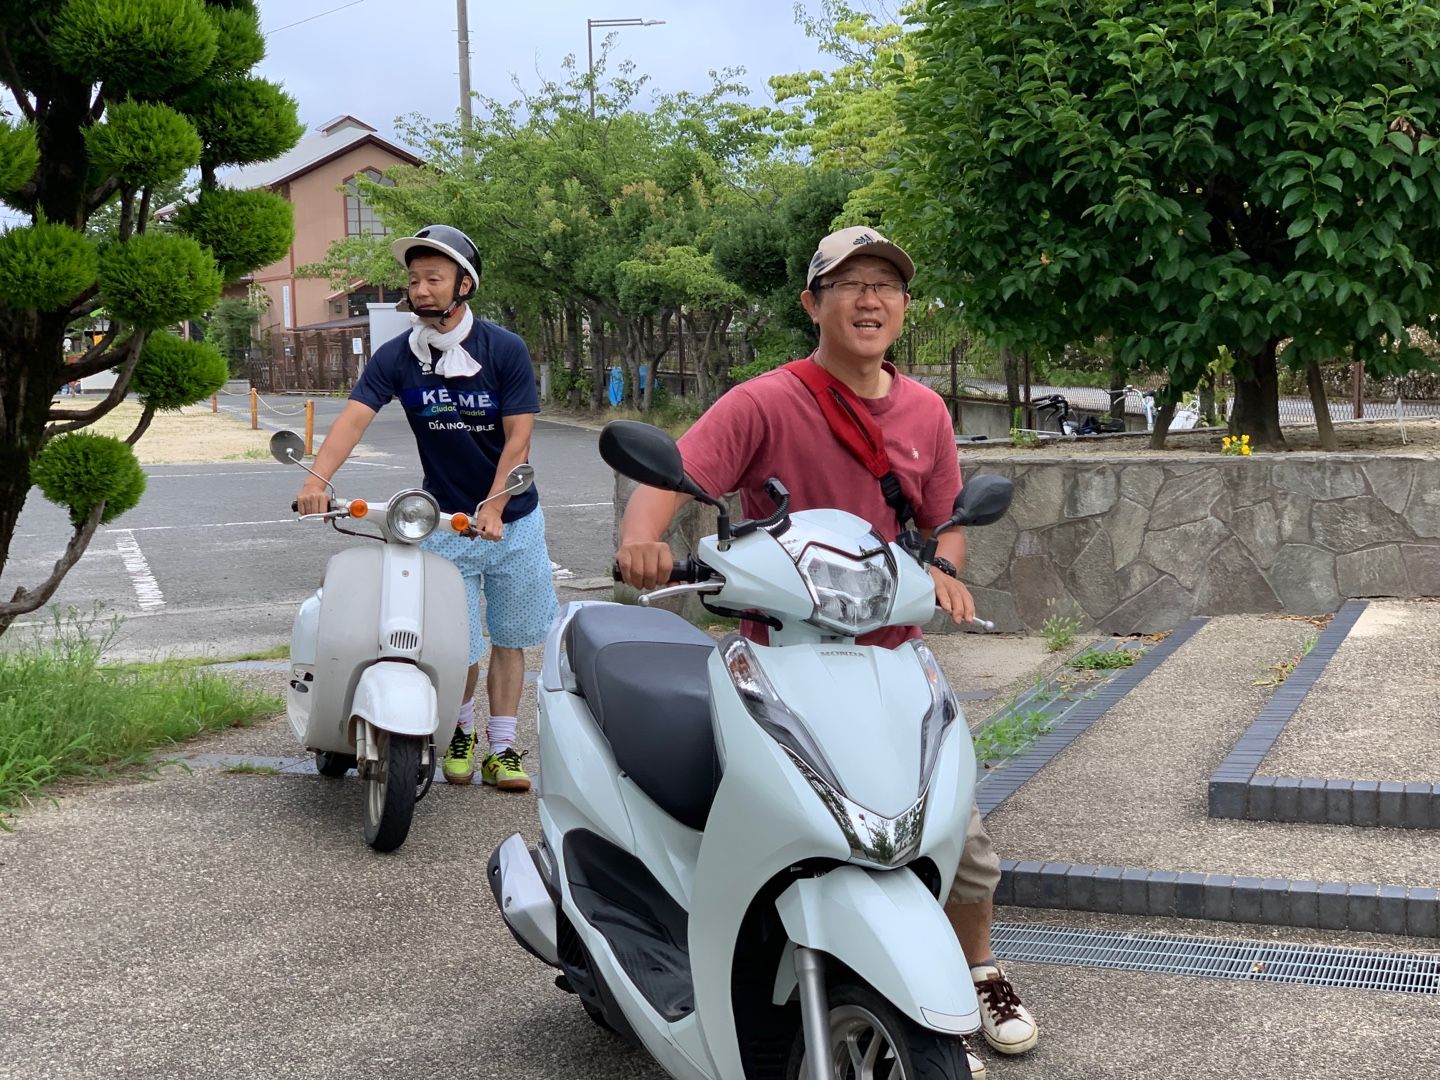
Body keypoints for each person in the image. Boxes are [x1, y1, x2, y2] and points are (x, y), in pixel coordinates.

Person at [615, 226, 1039, 1080]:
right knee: (760, 806)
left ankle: (979, 967)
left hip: (890, 653)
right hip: (779, 653)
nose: (870, 299)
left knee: (957, 829)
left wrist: (946, 573)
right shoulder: (764, 401)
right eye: (849, 284)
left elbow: (946, 517)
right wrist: (642, 541)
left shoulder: (924, 411)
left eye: (886, 285)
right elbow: (674, 474)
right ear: (814, 303)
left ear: (904, 307)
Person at [296, 224, 556, 792]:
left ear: (465, 284)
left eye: (433, 278)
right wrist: (318, 477)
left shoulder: (503, 350)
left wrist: (495, 505)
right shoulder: (398, 357)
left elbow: (519, 440)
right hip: (444, 521)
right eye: (414, 280)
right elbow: (353, 418)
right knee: (456, 643)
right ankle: (459, 735)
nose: (420, 290)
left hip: (512, 519)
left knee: (510, 639)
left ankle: (505, 748)